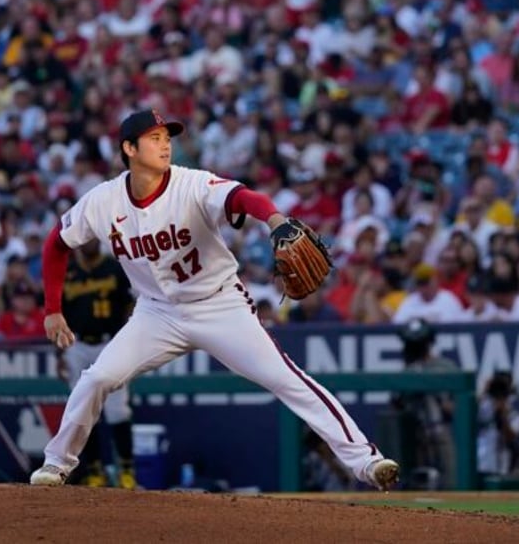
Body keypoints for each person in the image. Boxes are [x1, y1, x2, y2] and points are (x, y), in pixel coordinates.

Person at [31, 109, 399, 490]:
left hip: (219, 304)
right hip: (156, 314)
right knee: (97, 378)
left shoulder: (192, 185)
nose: (165, 145)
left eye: (167, 138)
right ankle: (57, 464)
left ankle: (367, 461)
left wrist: (274, 220)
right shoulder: (103, 200)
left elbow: (242, 197)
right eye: (154, 138)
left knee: (287, 379)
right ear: (129, 148)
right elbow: (56, 244)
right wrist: (53, 310)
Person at [57, 238, 136, 489]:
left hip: (109, 343)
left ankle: (126, 469)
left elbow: (130, 305)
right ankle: (93, 471)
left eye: (92, 238)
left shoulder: (113, 267)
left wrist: (129, 337)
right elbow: (59, 314)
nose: (88, 243)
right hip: (77, 345)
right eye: (85, 239)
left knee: (117, 409)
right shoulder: (68, 272)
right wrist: (58, 353)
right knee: (81, 409)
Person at [391, 318, 458, 489]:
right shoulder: (406, 371)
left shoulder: (445, 367)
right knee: (415, 486)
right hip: (415, 437)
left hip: (443, 432)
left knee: (451, 482)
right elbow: (396, 405)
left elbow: (458, 406)